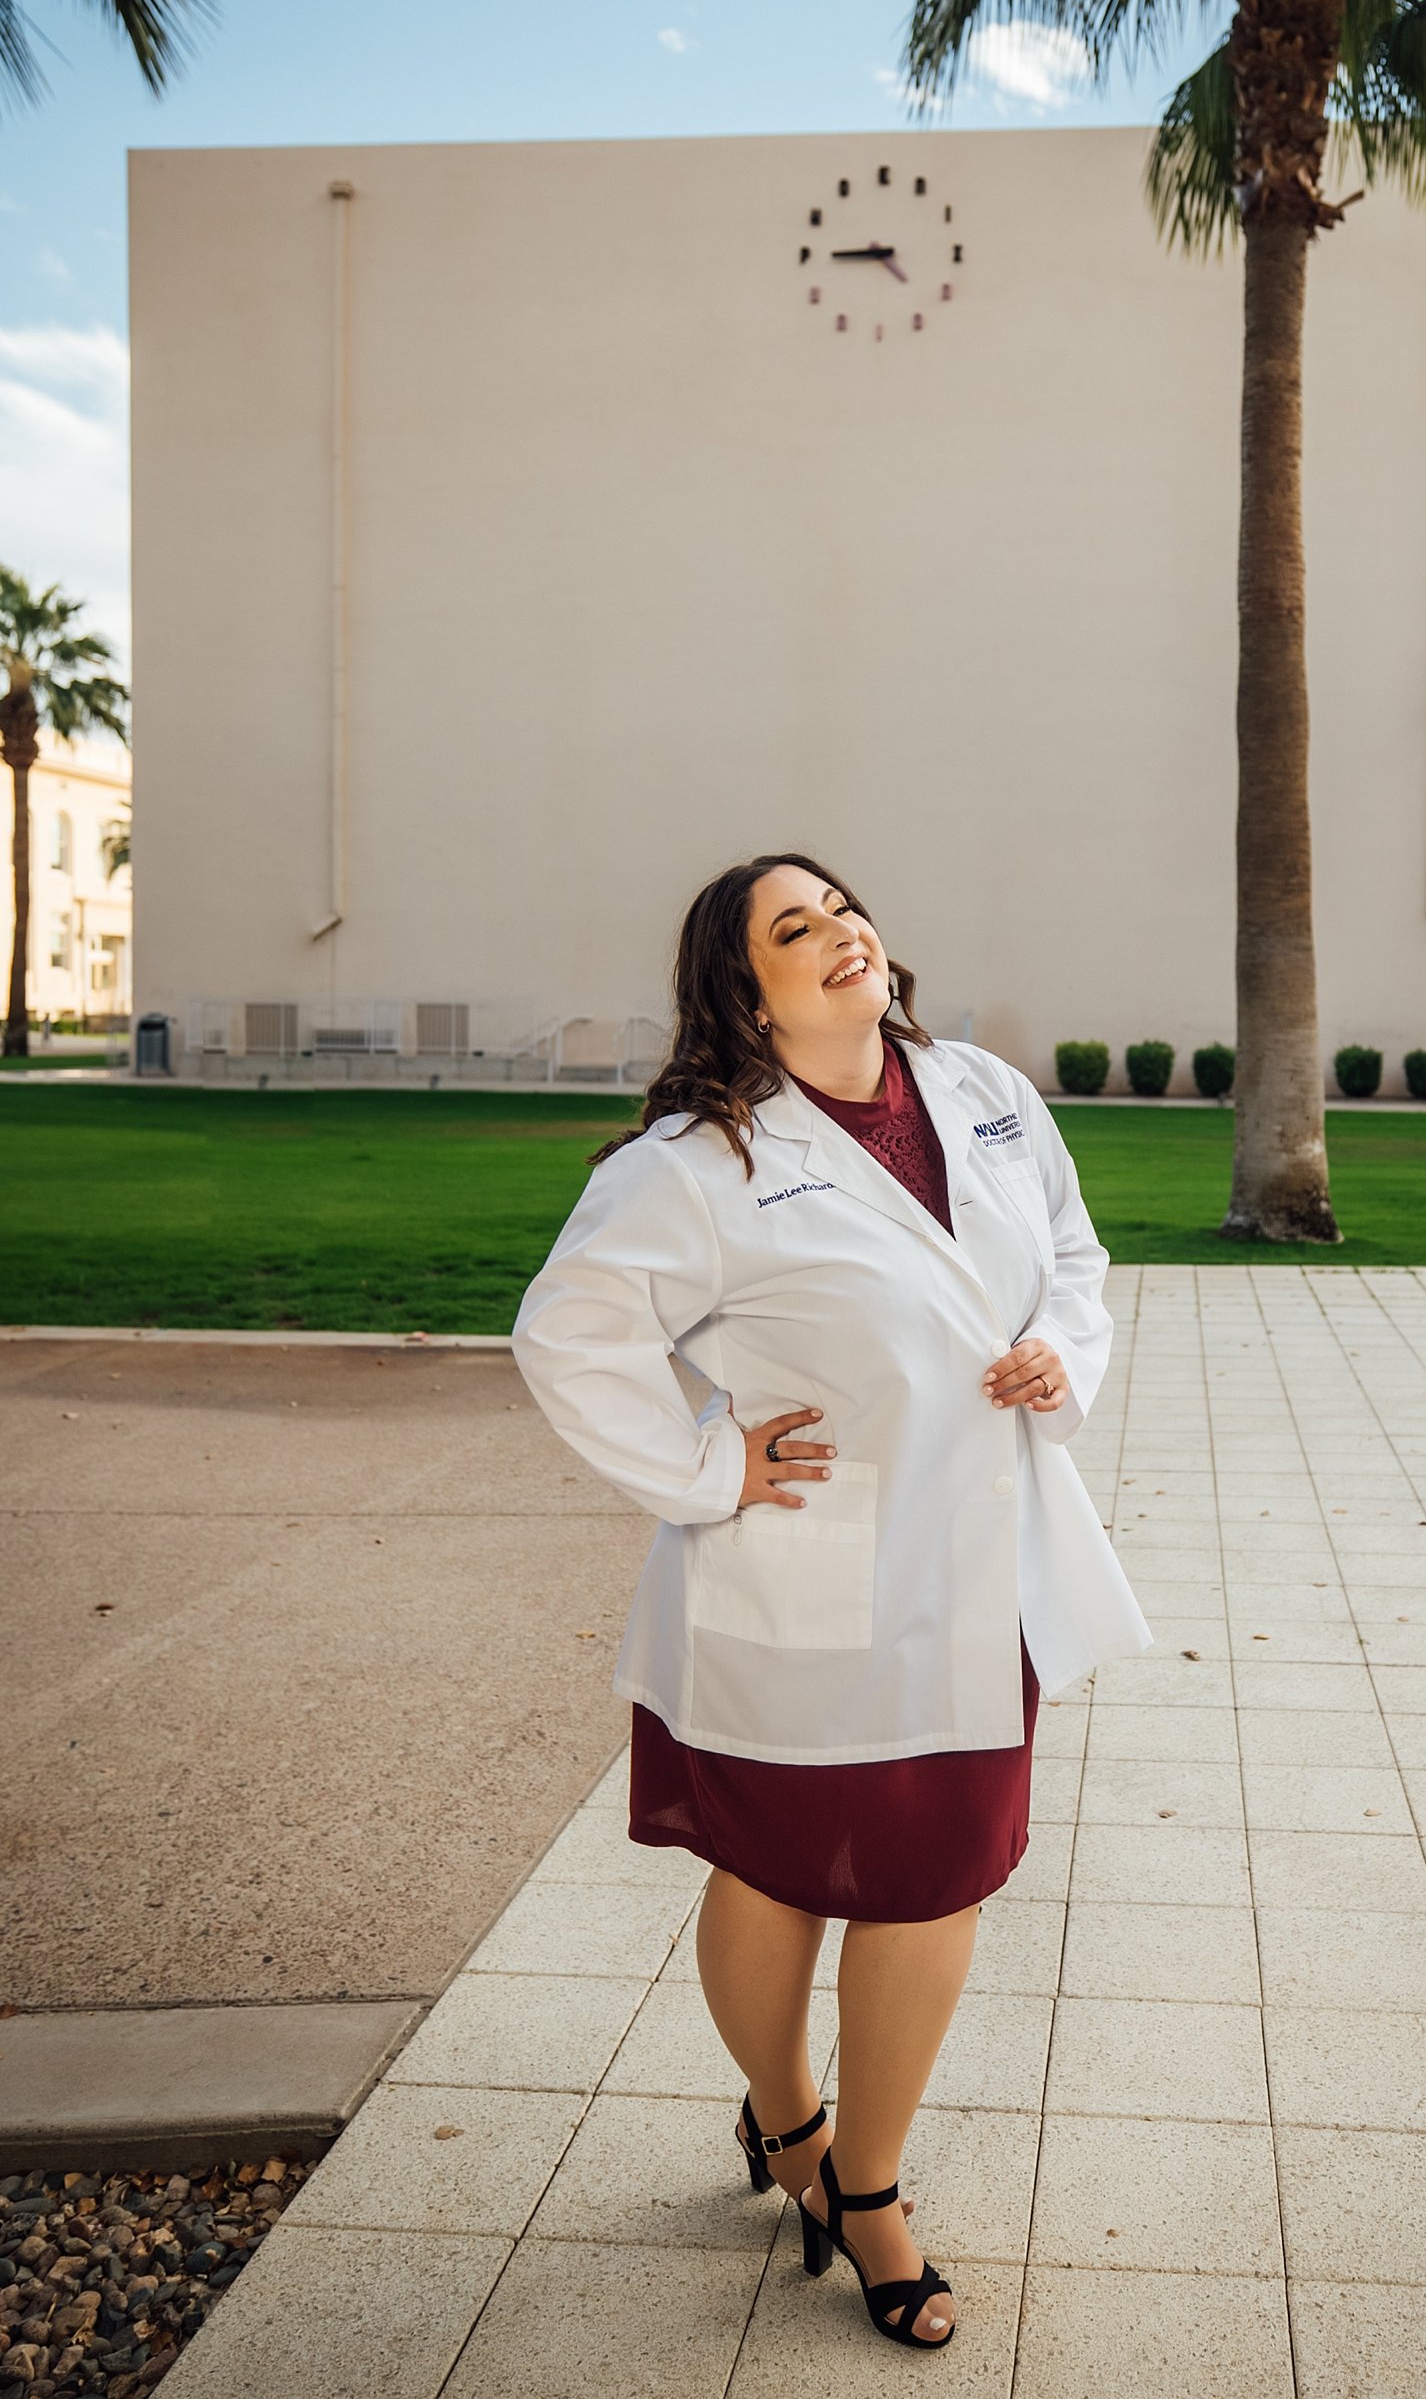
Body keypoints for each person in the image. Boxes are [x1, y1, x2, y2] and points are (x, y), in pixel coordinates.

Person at [512, 852, 1149, 2351]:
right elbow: (567, 1333)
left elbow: (1072, 1252)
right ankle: (789, 2124)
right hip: (798, 1572)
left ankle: (868, 2190)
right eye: (790, 930)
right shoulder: (696, 1162)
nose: (838, 934)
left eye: (842, 906)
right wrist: (703, 1466)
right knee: (777, 1873)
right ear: (747, 993)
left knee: (937, 1880)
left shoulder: (985, 1090)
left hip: (977, 1569)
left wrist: (1063, 1348)